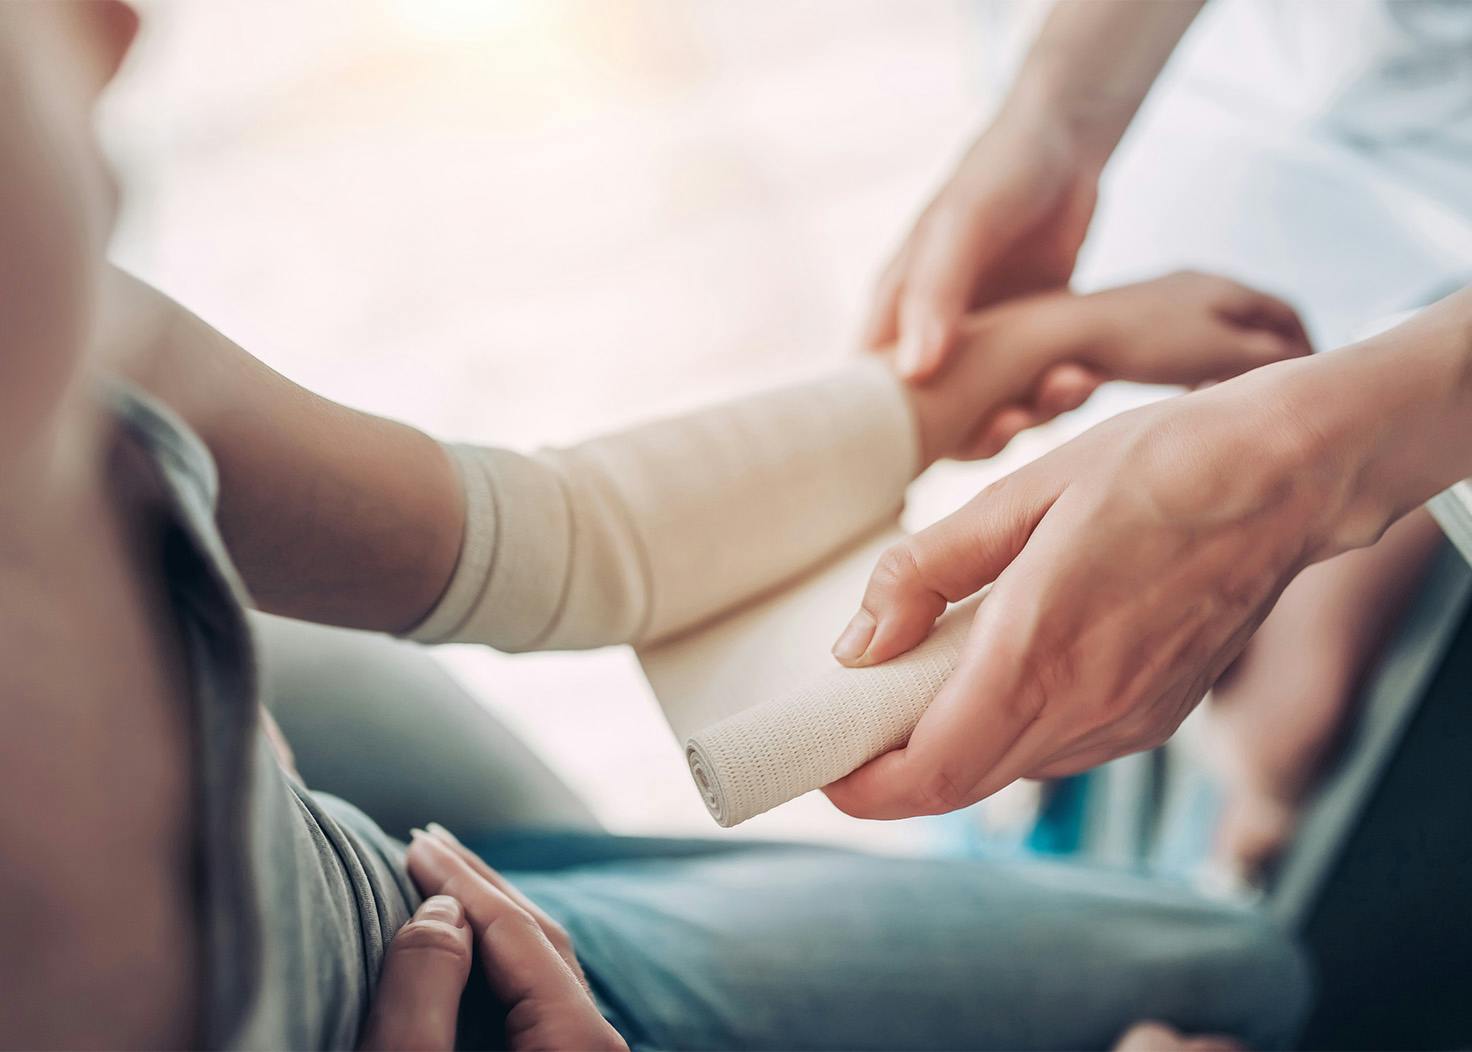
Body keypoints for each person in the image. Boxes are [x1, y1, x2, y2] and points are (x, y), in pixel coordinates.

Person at [1, 2, 1315, 1048]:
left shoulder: (94, 342)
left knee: (573, 860)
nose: (126, 28)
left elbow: (557, 540)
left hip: (338, 835)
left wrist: (963, 378)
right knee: (1235, 972)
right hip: (436, 997)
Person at [828, 0, 1472, 850]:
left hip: (1421, 265)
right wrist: (1056, 114)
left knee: (1278, 733)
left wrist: (1314, 454)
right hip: (1218, 170)